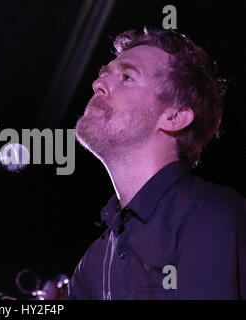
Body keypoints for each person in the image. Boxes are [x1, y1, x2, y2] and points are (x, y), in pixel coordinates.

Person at [66, 27, 245, 300]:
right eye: (103, 74)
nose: (98, 84)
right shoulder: (93, 262)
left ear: (174, 118)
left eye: (127, 77)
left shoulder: (211, 214)